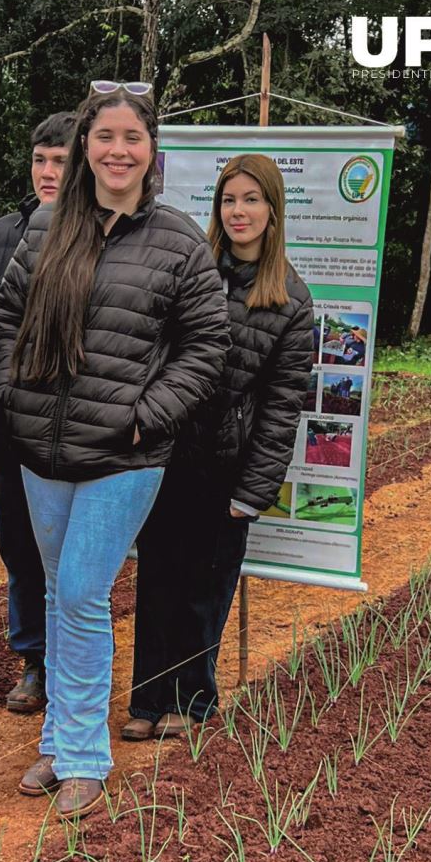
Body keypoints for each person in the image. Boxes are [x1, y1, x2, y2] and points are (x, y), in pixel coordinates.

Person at [0, 81, 230, 819]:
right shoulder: (47, 229)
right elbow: (6, 314)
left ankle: (87, 757)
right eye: (105, 137)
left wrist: (145, 417)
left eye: (132, 138)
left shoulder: (178, 240)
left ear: (152, 151)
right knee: (60, 592)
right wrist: (13, 395)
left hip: (125, 458)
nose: (117, 150)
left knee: (83, 594)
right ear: (87, 146)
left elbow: (206, 344)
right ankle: (59, 741)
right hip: (42, 453)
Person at [126, 153, 314, 741]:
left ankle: (193, 701)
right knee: (157, 579)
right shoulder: (193, 270)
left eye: (252, 200)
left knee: (205, 590)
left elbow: (283, 409)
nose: (239, 212)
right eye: (229, 200)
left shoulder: (290, 301)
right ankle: (146, 700)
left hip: (226, 470)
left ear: (273, 210)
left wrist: (252, 492)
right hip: (167, 456)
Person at [0, 112, 76, 715]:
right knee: (20, 548)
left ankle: (71, 662)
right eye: (40, 159)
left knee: (71, 556)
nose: (47, 172)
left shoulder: (105, 236)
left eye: (60, 161)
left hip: (78, 433)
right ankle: (34, 660)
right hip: (12, 430)